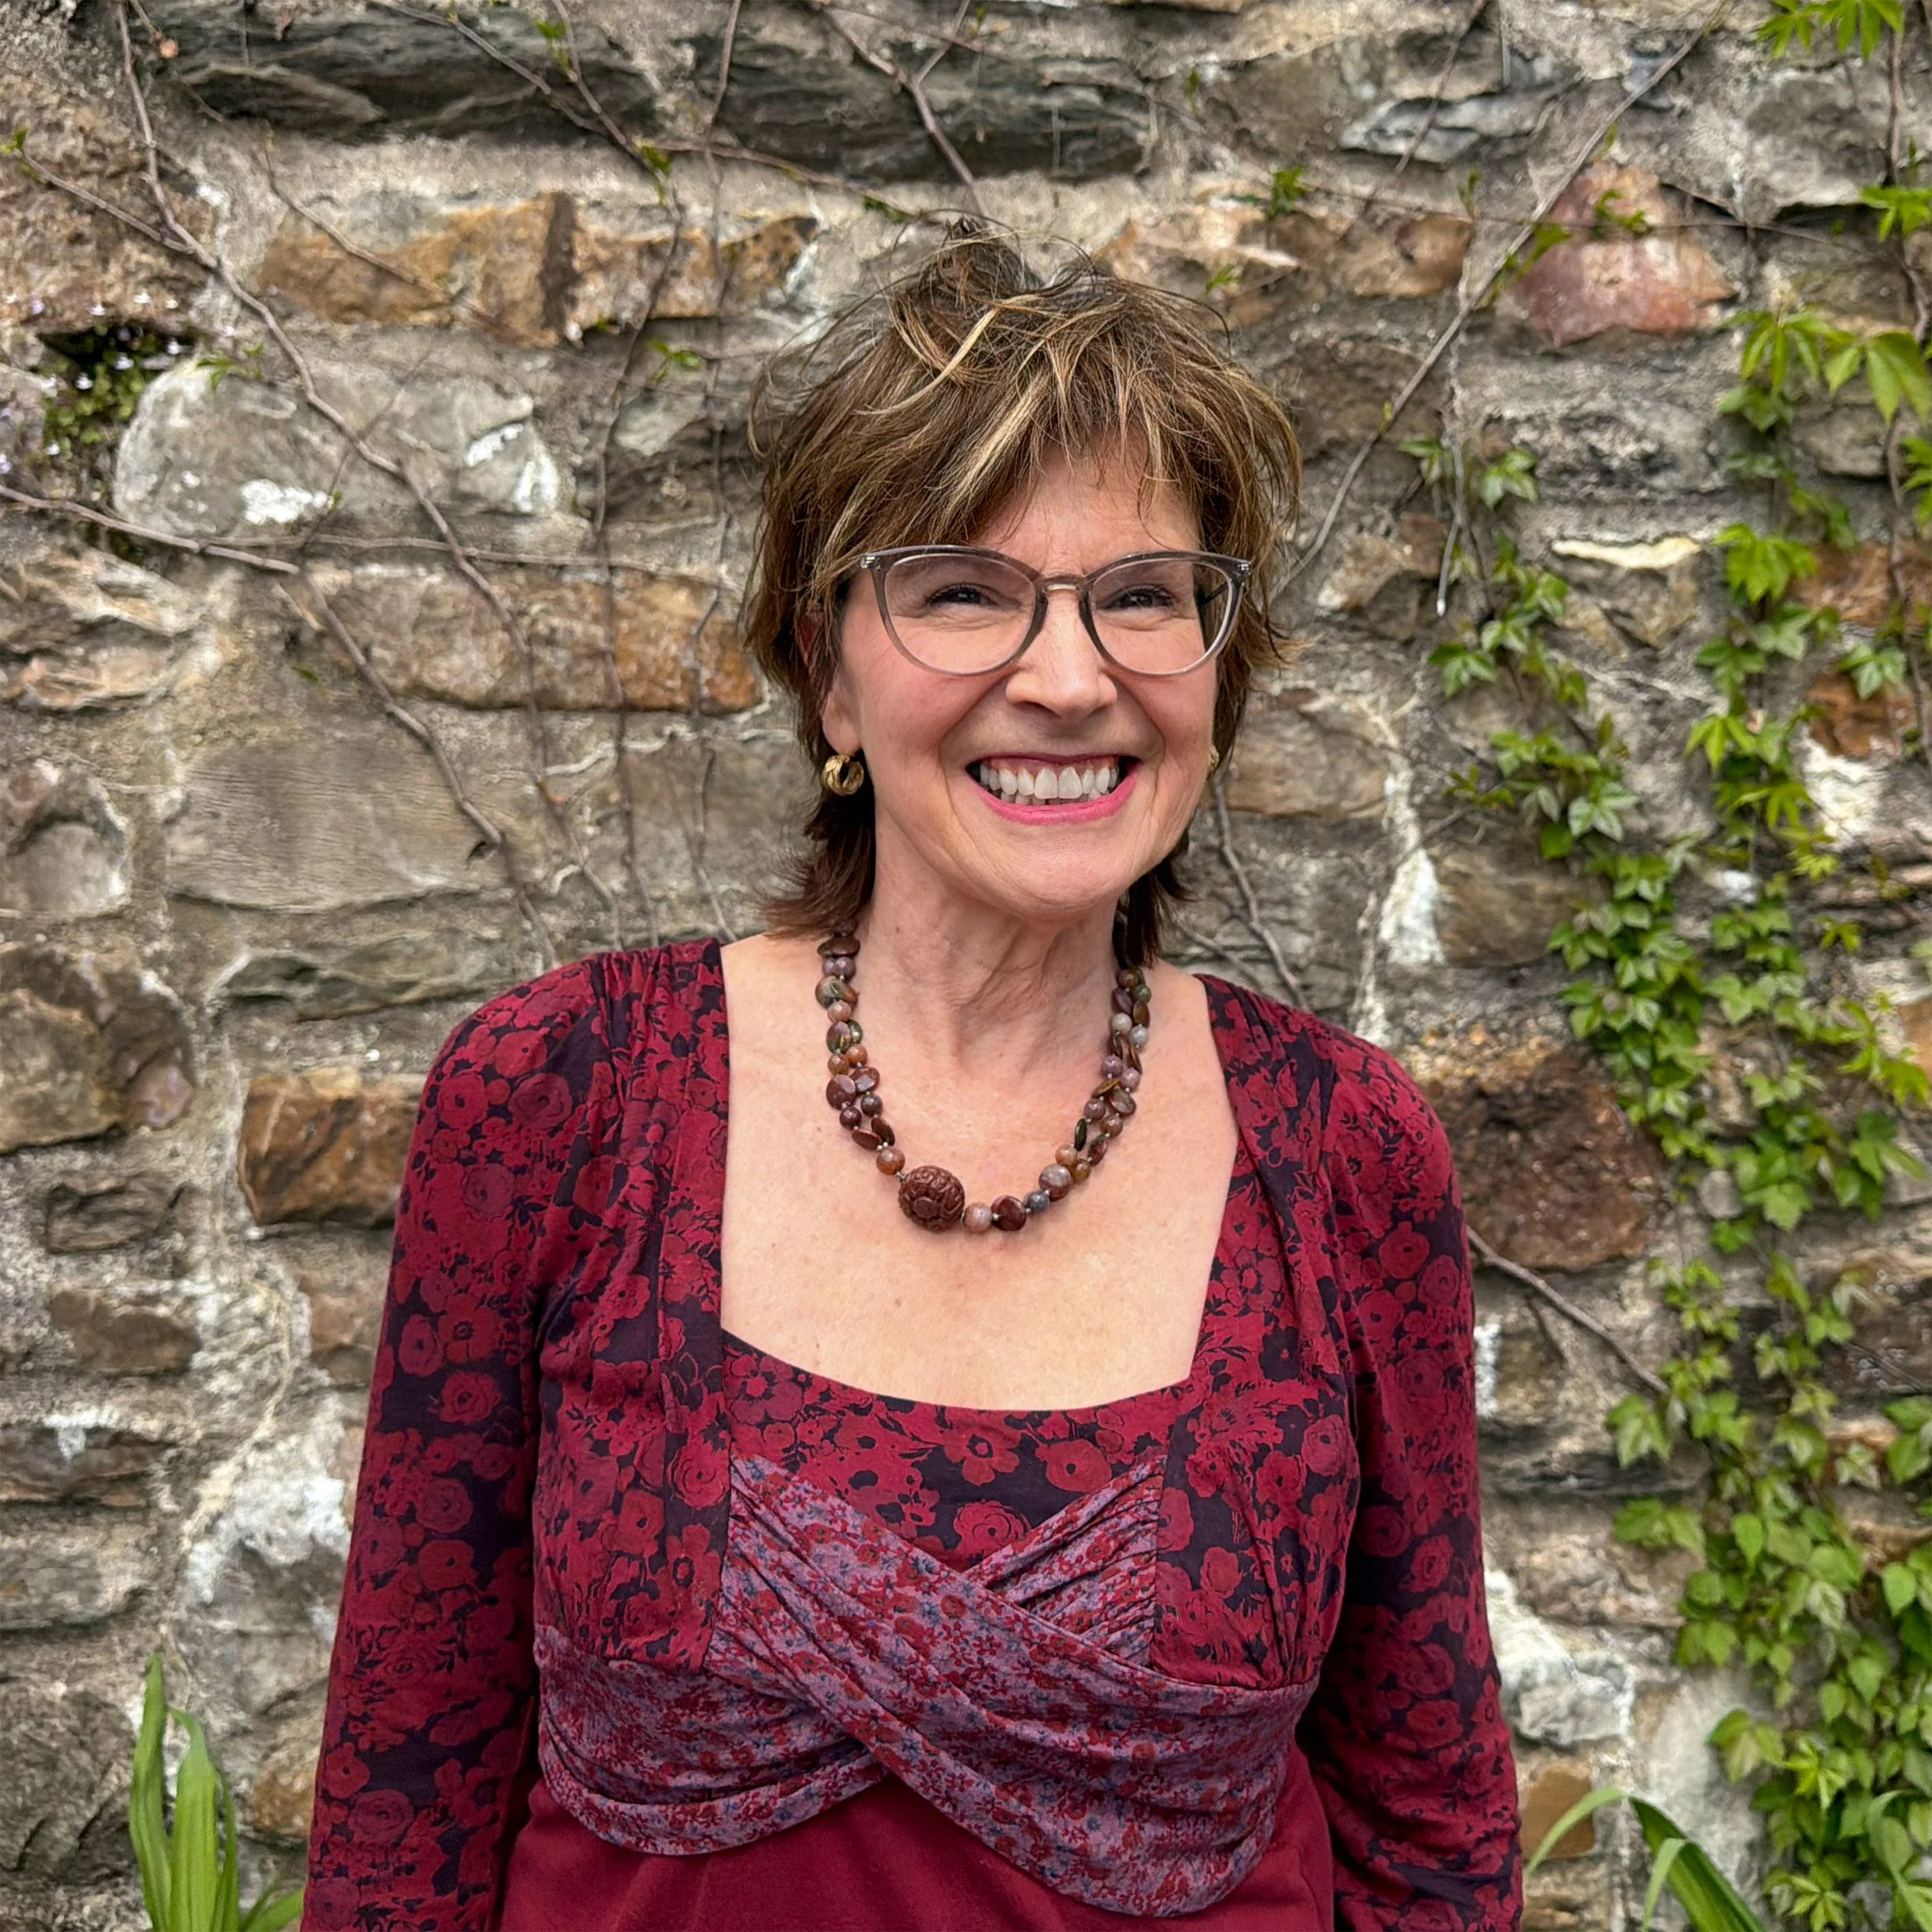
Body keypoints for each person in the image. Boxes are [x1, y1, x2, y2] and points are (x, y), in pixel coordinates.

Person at [303, 229, 1521, 1932]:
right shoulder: (564, 1097)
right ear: (824, 660)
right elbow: (399, 1802)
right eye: (962, 588)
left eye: (1143, 596)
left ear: (1213, 673)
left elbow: (1430, 1823)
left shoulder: (1337, 1149)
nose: (1068, 674)